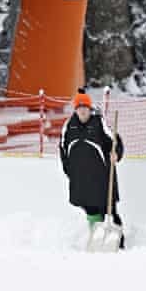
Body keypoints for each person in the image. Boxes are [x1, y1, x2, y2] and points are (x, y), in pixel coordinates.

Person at [60, 89, 125, 243]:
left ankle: (117, 243)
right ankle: (97, 240)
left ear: (90, 109)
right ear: (75, 110)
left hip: (102, 179)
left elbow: (115, 141)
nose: (82, 111)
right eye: (79, 108)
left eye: (85, 108)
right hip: (81, 180)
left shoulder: (99, 123)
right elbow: (63, 151)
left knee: (109, 211)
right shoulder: (69, 126)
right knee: (90, 210)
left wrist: (116, 153)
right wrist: (70, 173)